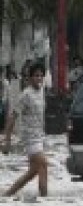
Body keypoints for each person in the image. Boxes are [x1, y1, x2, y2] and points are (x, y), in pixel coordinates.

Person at [2, 63, 48, 198]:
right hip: (29, 137)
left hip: (39, 135)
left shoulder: (41, 91)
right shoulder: (25, 95)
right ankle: (45, 201)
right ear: (30, 77)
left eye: (41, 75)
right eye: (36, 75)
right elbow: (12, 116)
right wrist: (7, 139)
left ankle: (8, 194)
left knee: (33, 172)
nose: (39, 78)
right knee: (43, 165)